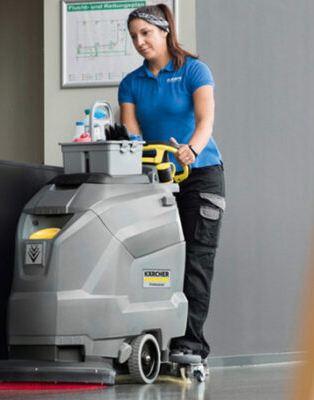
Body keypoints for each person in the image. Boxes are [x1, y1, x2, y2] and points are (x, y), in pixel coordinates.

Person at [119, 4, 225, 361]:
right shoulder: (131, 83)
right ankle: (156, 340)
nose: (139, 41)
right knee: (157, 260)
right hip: (157, 181)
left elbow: (205, 120)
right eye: (134, 36)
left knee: (196, 261)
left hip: (201, 175)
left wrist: (191, 149)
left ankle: (189, 344)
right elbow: (133, 136)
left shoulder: (194, 70)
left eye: (145, 33)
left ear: (164, 31)